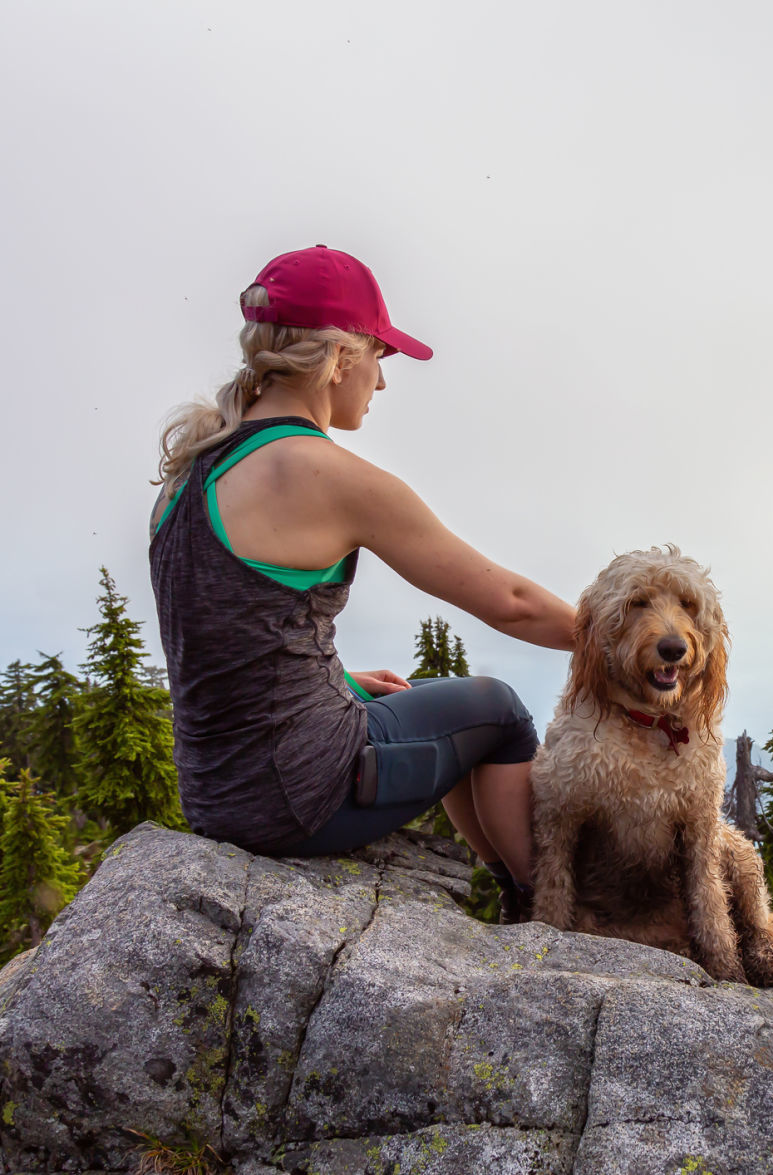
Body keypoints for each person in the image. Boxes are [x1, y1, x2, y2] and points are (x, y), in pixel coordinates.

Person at [147, 244, 574, 921]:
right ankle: (546, 906)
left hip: (215, 796)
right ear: (340, 355)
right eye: (380, 356)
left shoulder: (192, 471)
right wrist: (625, 637)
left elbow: (222, 635)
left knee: (430, 697)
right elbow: (512, 605)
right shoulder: (326, 473)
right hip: (302, 797)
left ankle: (515, 892)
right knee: (498, 711)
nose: (380, 382)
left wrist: (339, 682)